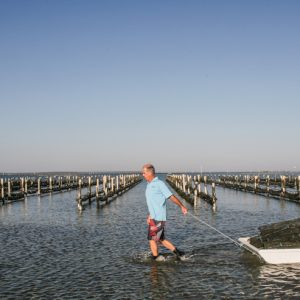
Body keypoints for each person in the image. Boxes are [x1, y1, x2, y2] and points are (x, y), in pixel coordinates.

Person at [142, 163, 188, 261]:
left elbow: (171, 196)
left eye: (144, 173)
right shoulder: (149, 185)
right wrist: (149, 215)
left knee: (151, 239)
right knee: (160, 240)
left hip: (158, 218)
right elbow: (153, 202)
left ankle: (156, 258)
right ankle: (179, 253)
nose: (143, 174)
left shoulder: (159, 184)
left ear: (150, 173)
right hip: (153, 217)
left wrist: (182, 206)